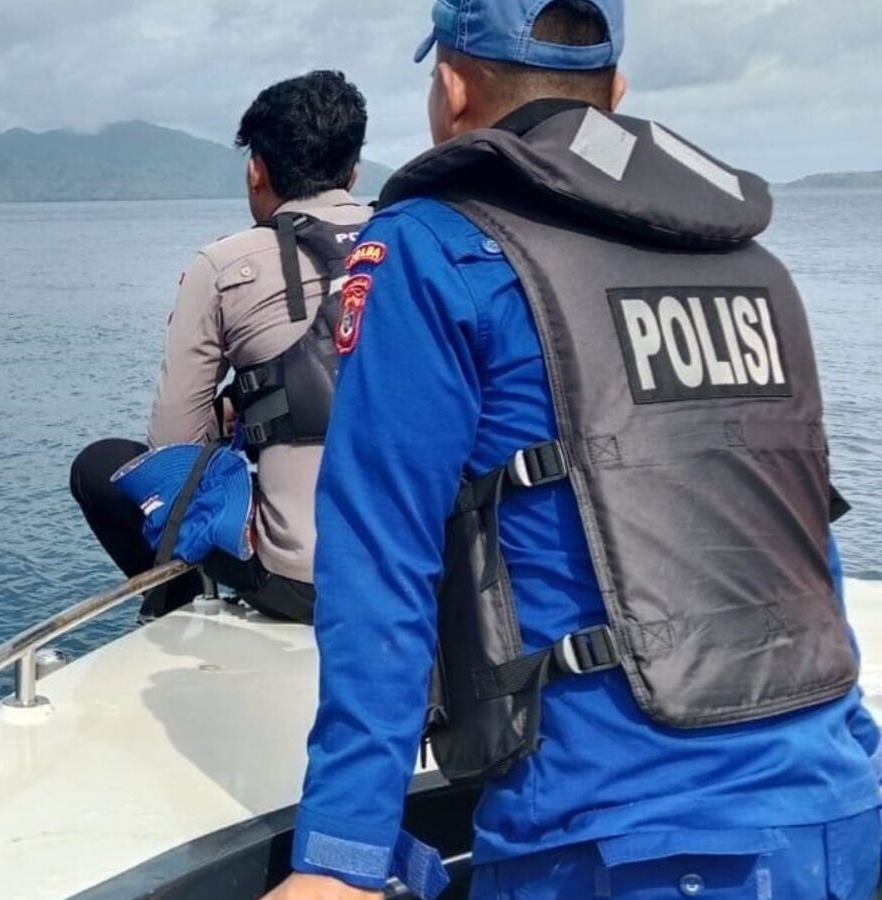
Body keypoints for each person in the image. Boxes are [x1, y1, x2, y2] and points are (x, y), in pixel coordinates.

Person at [266, 2, 882, 899]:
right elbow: (802, 534)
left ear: (451, 88)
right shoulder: (755, 268)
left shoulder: (433, 249)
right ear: (615, 91)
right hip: (838, 813)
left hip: (613, 843)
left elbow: (379, 555)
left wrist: (342, 855)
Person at [70, 71, 372, 625]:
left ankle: (177, 609)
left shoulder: (224, 265)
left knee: (100, 466)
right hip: (423, 571)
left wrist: (246, 415)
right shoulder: (413, 243)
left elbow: (171, 450)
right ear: (353, 173)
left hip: (300, 583)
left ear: (256, 171)